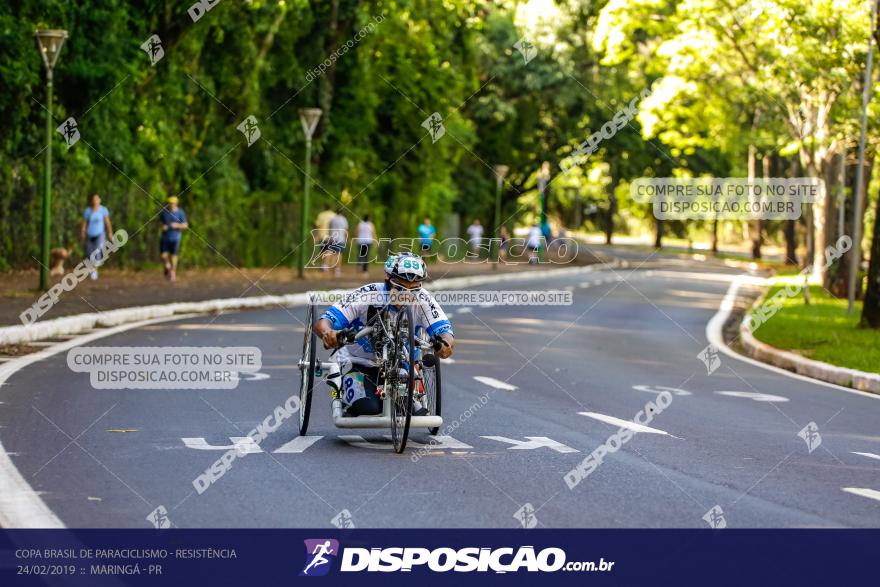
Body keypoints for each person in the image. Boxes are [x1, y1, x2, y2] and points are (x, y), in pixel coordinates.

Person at [315, 252, 455, 417]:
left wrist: (445, 345)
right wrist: (329, 333)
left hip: (402, 366)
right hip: (360, 364)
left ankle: (408, 399)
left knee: (407, 411)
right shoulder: (367, 294)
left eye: (414, 290)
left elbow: (445, 333)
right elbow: (324, 322)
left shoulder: (425, 300)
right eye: (400, 288)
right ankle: (345, 390)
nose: (407, 296)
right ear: (387, 282)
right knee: (368, 408)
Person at [80, 193, 112, 280]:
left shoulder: (103, 210)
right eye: (93, 199)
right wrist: (82, 232)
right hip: (90, 234)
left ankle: (95, 270)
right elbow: (85, 223)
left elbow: (107, 222)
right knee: (89, 253)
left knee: (97, 251)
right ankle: (92, 268)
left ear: (99, 200)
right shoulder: (88, 211)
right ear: (91, 201)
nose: (95, 201)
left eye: (96, 199)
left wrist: (110, 233)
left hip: (100, 234)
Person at [159, 196, 189, 281]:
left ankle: (173, 272)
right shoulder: (164, 212)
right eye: (169, 203)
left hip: (175, 237)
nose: (171, 205)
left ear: (176, 203)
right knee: (163, 255)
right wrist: (162, 226)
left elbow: (185, 225)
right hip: (165, 236)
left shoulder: (180, 212)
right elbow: (160, 222)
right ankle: (167, 266)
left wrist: (176, 225)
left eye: (172, 203)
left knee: (173, 256)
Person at [315, 204, 336, 272]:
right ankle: (325, 265)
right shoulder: (334, 215)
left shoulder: (321, 215)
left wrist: (317, 236)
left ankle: (323, 265)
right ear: (330, 208)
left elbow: (318, 226)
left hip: (322, 235)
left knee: (322, 250)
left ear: (324, 208)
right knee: (329, 251)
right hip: (330, 236)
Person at [327, 209, 348, 276]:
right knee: (339, 254)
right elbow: (345, 230)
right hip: (341, 239)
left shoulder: (332, 219)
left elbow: (329, 229)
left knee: (333, 254)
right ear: (342, 213)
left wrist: (330, 237)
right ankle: (337, 269)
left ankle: (332, 268)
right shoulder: (344, 219)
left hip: (333, 238)